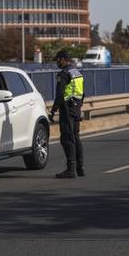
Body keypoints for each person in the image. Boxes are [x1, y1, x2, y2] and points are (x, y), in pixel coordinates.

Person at [48, 50, 84, 178]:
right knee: (76, 137)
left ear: (63, 59)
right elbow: (82, 93)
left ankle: (71, 170)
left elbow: (60, 95)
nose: (57, 62)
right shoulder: (77, 72)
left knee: (67, 139)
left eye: (58, 59)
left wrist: (53, 111)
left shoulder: (63, 74)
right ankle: (80, 168)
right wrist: (79, 106)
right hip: (77, 108)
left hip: (67, 109)